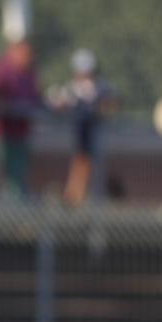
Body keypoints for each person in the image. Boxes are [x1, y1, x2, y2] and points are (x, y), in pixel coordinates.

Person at [46, 49, 117, 205]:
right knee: (81, 163)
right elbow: (55, 104)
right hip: (78, 139)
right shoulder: (71, 89)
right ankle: (74, 198)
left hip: (96, 139)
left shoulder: (101, 89)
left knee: (91, 166)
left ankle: (87, 199)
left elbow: (111, 103)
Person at [0, 40, 40, 197]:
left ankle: (16, 205)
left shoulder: (29, 73)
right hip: (2, 132)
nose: (28, 58)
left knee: (19, 171)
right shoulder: (1, 70)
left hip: (21, 132)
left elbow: (35, 97)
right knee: (5, 172)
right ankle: (6, 207)